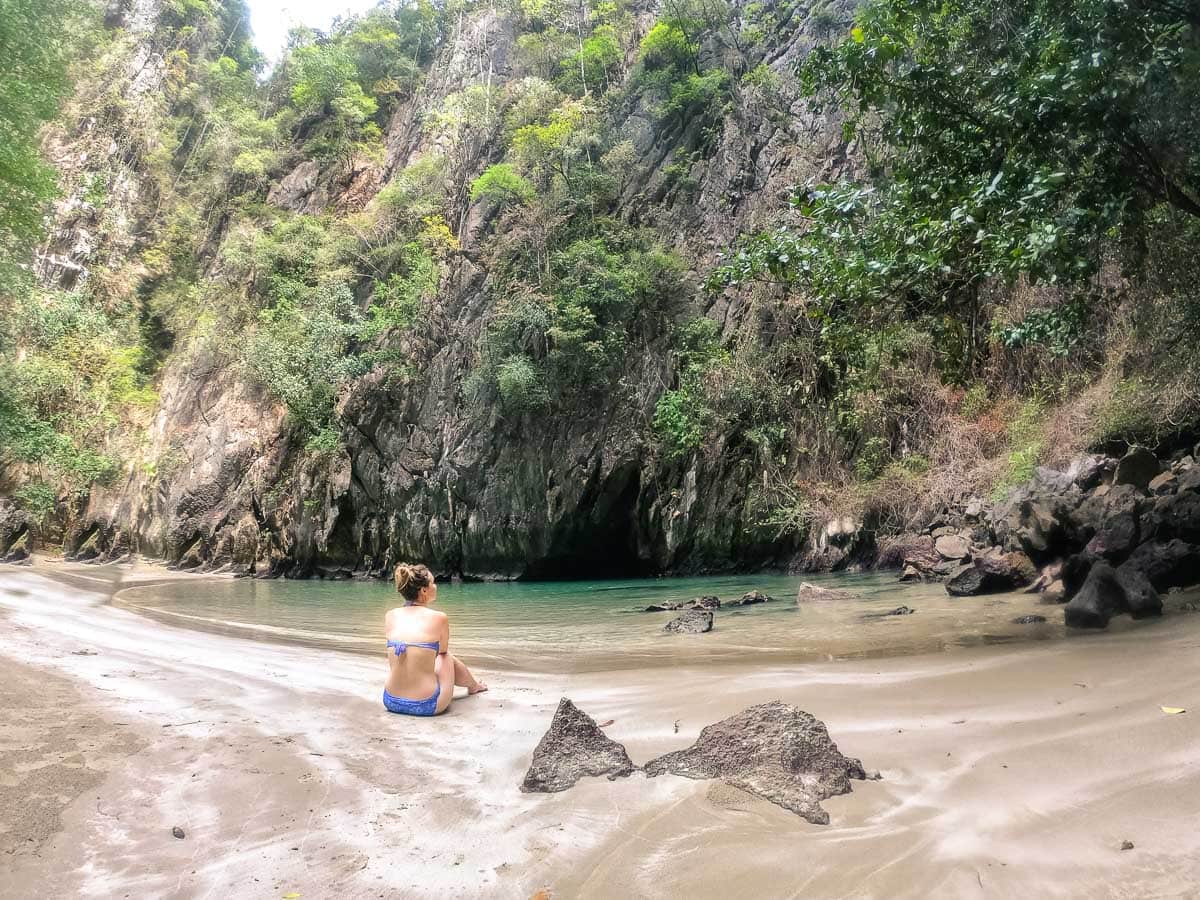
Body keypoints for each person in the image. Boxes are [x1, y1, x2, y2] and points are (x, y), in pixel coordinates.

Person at [383, 563, 487, 716]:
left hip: (391, 700)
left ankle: (474, 685)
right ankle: (474, 686)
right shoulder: (439, 618)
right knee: (446, 657)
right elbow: (442, 652)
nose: (436, 586)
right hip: (427, 704)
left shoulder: (390, 615)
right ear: (424, 590)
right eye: (433, 582)